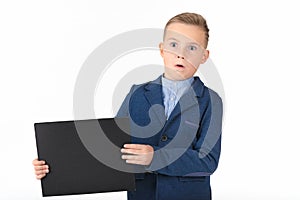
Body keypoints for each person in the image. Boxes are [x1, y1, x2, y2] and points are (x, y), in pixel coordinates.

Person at [33, 12, 223, 200]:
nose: (181, 55)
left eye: (192, 48)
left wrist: (156, 157)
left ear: (204, 56)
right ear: (162, 49)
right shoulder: (137, 94)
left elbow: (208, 160)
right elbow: (112, 147)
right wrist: (55, 167)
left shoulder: (211, 101)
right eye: (174, 45)